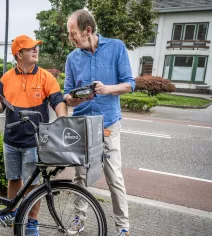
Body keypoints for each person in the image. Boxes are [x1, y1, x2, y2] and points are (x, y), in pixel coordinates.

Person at [63, 9, 135, 236]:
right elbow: (66, 95)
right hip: (81, 124)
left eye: (72, 33)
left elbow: (129, 84)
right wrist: (77, 96)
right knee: (80, 177)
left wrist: (107, 89)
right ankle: (78, 220)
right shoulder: (72, 58)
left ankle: (123, 227)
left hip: (108, 124)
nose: (70, 38)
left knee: (114, 177)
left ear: (88, 30)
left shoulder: (116, 47)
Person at [0, 35, 68, 236]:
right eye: (30, 48)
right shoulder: (6, 77)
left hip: (34, 141)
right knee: (13, 178)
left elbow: (58, 101)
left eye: (36, 48)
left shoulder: (45, 77)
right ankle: (12, 213)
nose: (35, 50)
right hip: (11, 139)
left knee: (33, 184)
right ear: (18, 54)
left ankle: (32, 223)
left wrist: (63, 121)